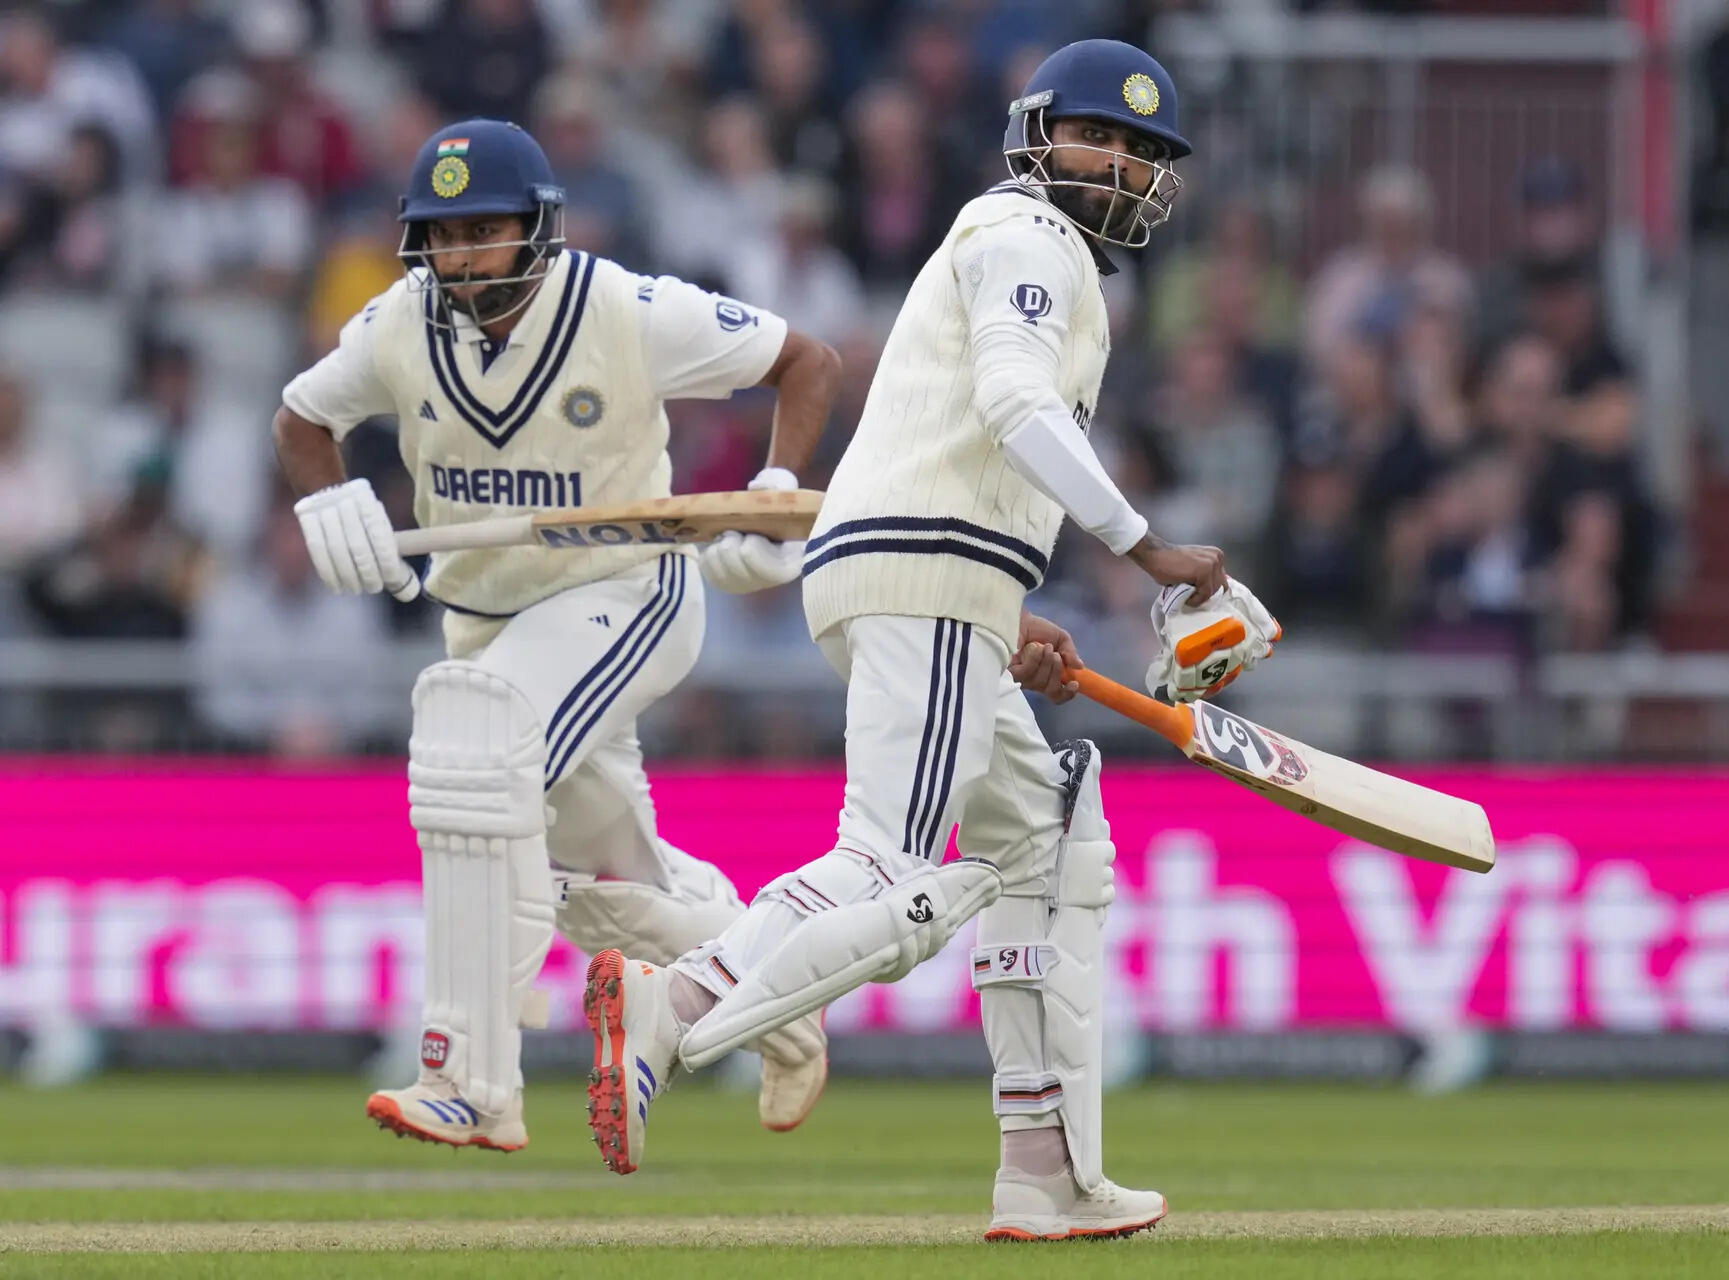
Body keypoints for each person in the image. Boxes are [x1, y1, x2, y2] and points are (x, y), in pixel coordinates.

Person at [577, 41, 1279, 1241]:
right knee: (894, 874)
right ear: (1036, 133)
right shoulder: (1026, 239)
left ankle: (1042, 1165)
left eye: (1141, 151)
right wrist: (1143, 545)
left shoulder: (1030, 250)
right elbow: (1015, 404)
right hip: (927, 565)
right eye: (1097, 135)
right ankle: (670, 999)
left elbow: (969, 434)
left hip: (938, 570)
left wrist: (1008, 607)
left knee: (1048, 840)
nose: (1117, 163)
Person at [271, 119, 839, 1152]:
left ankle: (473, 1078)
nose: (459, 256)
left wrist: (773, 485)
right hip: (486, 615)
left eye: (482, 230)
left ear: (537, 228)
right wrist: (326, 501)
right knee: (605, 893)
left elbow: (806, 361)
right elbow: (302, 418)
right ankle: (783, 994)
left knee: (471, 747)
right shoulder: (401, 323)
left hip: (625, 590)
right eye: (440, 236)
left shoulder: (622, 308)